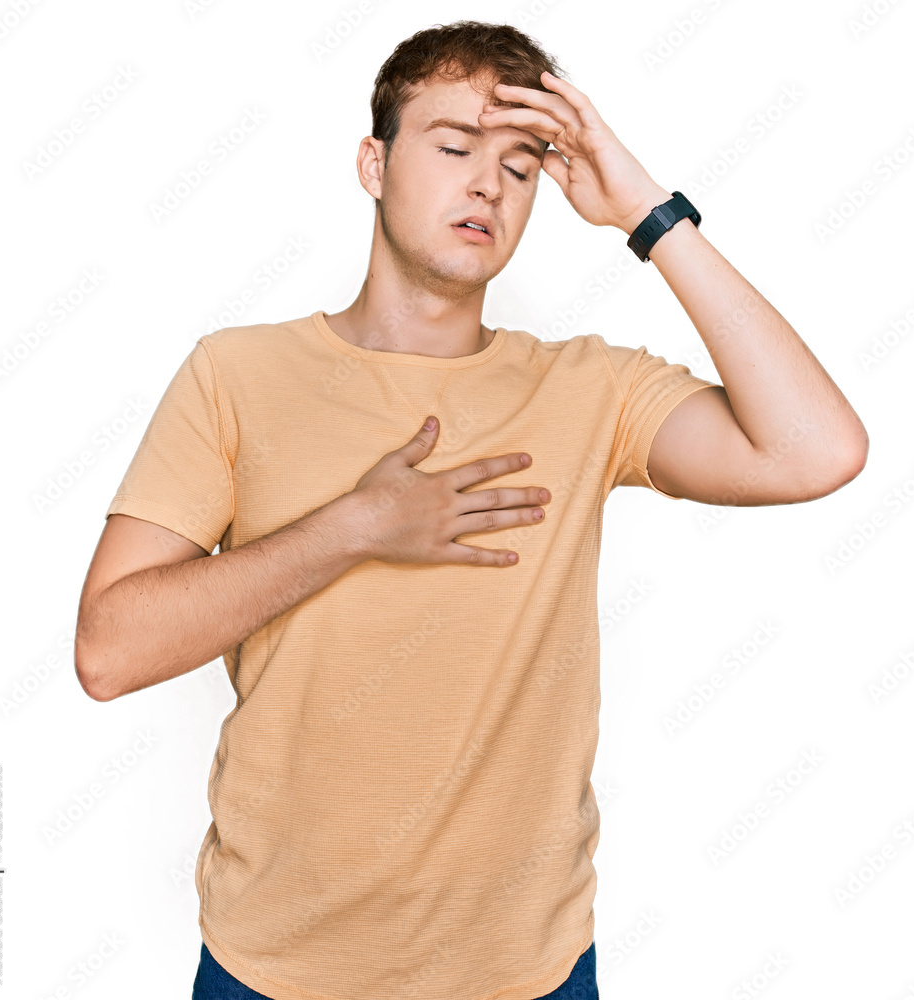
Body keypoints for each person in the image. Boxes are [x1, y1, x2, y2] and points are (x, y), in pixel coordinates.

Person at [74, 19, 867, 1000]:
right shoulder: (236, 374)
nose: (488, 184)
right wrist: (357, 527)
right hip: (274, 969)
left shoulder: (592, 389)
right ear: (374, 164)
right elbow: (109, 651)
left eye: (520, 167)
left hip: (525, 973)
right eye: (453, 148)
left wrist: (646, 212)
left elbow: (816, 449)